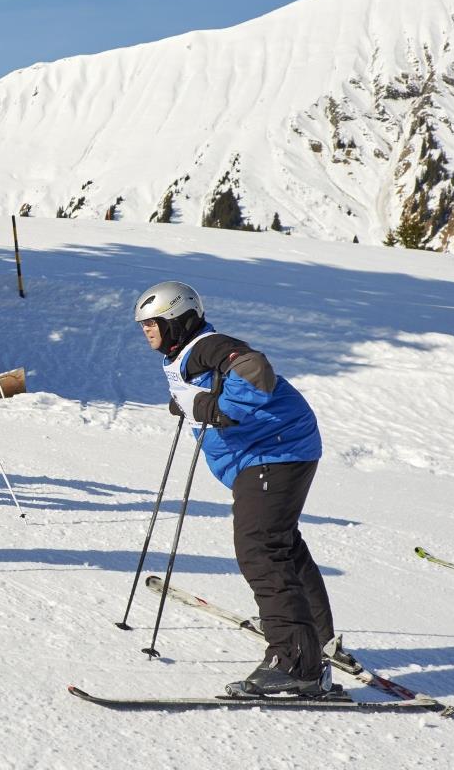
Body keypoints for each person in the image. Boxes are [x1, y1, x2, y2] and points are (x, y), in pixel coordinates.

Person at [133, 280, 339, 696]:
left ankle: (296, 664)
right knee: (280, 544)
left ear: (176, 320)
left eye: (152, 322)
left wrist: (213, 408)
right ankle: (316, 644)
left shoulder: (209, 345)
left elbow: (254, 369)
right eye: (142, 325)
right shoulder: (184, 355)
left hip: (275, 452)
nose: (146, 331)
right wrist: (194, 403)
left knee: (260, 547)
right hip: (275, 452)